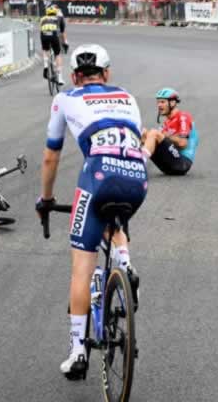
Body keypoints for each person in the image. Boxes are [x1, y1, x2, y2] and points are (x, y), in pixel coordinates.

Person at [35, 44, 145, 379]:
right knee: (114, 219)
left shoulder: (66, 98)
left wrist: (46, 199)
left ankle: (78, 351)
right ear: (106, 73)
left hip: (97, 175)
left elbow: (51, 156)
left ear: (73, 76)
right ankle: (126, 265)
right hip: (136, 178)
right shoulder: (127, 95)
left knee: (82, 267)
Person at [141, 88, 198, 176]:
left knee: (154, 133)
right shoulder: (167, 123)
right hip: (168, 166)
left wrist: (165, 135)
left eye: (162, 102)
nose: (159, 105)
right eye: (158, 102)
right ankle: (128, 162)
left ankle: (139, 163)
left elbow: (183, 143)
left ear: (172, 103)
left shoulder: (183, 117)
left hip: (182, 163)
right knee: (144, 133)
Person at [39, 6, 66, 85]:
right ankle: (60, 78)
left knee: (45, 49)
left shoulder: (42, 18)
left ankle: (45, 65)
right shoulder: (59, 18)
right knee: (58, 54)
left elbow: (40, 29)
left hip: (44, 34)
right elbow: (62, 32)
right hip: (54, 35)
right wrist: (64, 43)